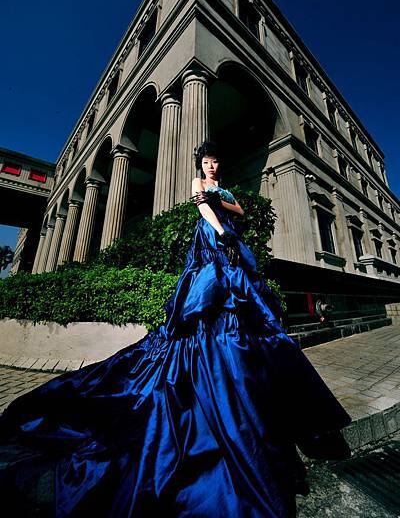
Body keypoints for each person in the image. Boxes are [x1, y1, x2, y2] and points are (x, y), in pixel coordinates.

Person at [0, 140, 351, 517]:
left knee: (248, 311)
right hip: (213, 242)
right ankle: (209, 364)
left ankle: (243, 383)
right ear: (200, 164)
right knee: (209, 301)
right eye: (206, 161)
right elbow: (205, 209)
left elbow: (240, 209)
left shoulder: (223, 187)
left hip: (232, 244)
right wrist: (222, 230)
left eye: (215, 161)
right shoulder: (200, 185)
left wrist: (226, 207)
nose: (211, 166)